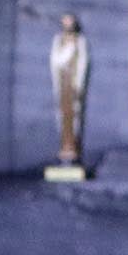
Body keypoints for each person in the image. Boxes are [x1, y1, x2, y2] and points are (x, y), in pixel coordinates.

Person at [49, 13, 89, 164]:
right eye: (64, 20)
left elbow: (82, 63)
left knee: (74, 116)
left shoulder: (80, 41)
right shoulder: (58, 40)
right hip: (62, 81)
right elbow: (54, 61)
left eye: (69, 20)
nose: (67, 23)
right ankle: (64, 148)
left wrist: (79, 83)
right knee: (62, 116)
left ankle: (73, 148)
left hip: (73, 83)